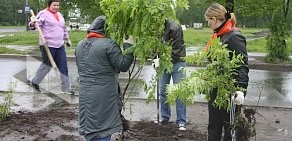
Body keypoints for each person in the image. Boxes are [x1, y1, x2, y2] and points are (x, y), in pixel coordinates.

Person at [75, 16, 134, 141]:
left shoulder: (80, 45)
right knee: (103, 127)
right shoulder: (108, 44)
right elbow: (123, 65)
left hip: (85, 93)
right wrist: (129, 45)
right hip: (104, 94)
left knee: (89, 126)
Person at [204, 3, 249, 141]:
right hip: (215, 90)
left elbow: (242, 65)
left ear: (214, 19)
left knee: (230, 130)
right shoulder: (217, 36)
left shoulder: (234, 36)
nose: (207, 24)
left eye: (207, 21)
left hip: (229, 92)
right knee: (213, 127)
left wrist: (240, 89)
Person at [29, 0, 73, 94]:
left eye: (58, 5)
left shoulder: (60, 15)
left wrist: (67, 39)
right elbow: (35, 26)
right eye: (54, 5)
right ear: (49, 5)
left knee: (63, 65)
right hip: (47, 44)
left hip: (59, 45)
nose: (56, 7)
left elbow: (63, 28)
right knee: (47, 65)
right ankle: (35, 82)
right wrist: (33, 22)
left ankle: (65, 88)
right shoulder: (43, 14)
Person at [153, 19, 187, 131]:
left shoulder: (174, 27)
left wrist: (165, 60)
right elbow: (153, 47)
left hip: (178, 61)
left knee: (179, 91)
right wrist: (155, 59)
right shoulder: (154, 27)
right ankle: (165, 117)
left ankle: (181, 121)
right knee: (163, 91)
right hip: (164, 62)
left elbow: (176, 50)